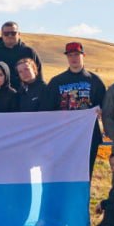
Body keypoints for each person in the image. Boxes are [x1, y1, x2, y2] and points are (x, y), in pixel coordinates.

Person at [41, 42, 107, 177]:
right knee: (65, 173)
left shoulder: (94, 80)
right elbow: (47, 110)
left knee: (85, 174)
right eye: (70, 55)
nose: (73, 58)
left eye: (76, 54)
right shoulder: (57, 82)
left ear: (83, 55)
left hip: (88, 137)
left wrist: (101, 111)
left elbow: (105, 105)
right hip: (64, 137)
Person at [0, 21, 43, 90]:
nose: (10, 36)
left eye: (13, 33)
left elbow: (38, 75)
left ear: (19, 34)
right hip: (1, 94)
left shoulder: (29, 52)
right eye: (6, 34)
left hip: (26, 94)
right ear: (2, 35)